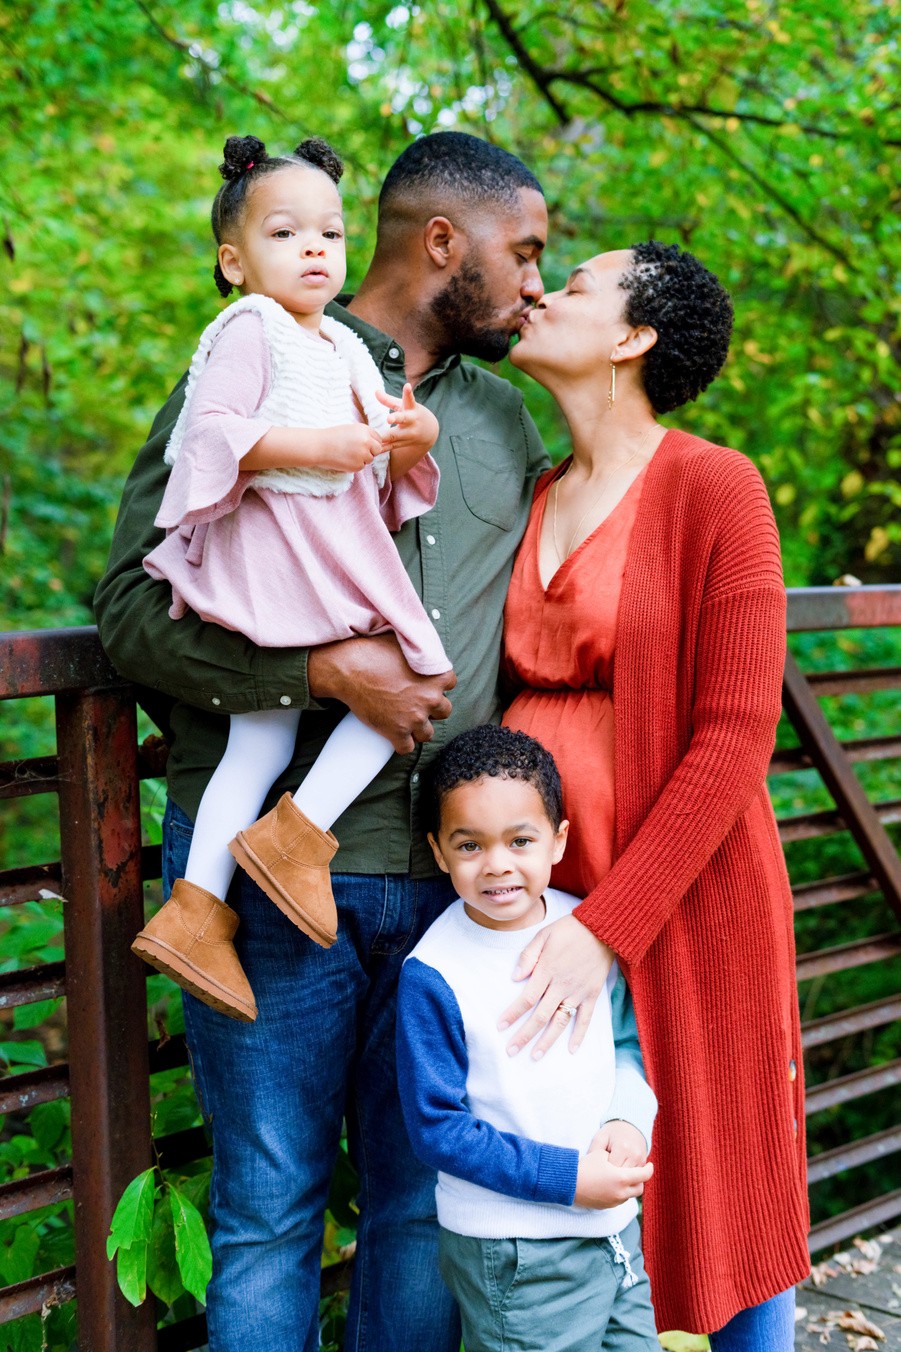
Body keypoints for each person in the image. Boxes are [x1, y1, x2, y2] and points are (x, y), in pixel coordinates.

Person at [94, 131, 549, 1352]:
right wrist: (315, 672)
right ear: (443, 244)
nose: (536, 285)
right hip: (265, 866)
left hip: (455, 884)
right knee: (269, 1211)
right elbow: (132, 606)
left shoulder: (505, 424)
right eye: (524, 252)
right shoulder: (259, 360)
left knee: (414, 1206)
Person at [498, 242, 809, 1347]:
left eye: (574, 285)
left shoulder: (716, 486)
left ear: (631, 339)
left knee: (720, 1176)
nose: (541, 292)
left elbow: (735, 733)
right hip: (539, 908)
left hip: (685, 900)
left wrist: (609, 928)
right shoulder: (533, 487)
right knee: (578, 1187)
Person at [132, 132, 452, 1024]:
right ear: (233, 263)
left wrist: (407, 442)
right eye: (284, 234)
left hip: (325, 540)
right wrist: (317, 447)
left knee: (262, 742)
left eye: (330, 234)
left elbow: (376, 469)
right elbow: (212, 436)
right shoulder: (248, 327)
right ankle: (292, 841)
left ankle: (202, 908)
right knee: (418, 674)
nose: (315, 249)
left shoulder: (343, 346)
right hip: (277, 545)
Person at [396, 724, 659, 1352]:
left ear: (558, 839)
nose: (498, 865)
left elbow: (625, 1043)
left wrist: (628, 1119)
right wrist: (567, 1179)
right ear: (438, 851)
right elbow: (438, 1129)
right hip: (515, 1252)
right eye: (470, 845)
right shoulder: (433, 973)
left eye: (520, 840)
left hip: (615, 1231)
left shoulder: (584, 931)